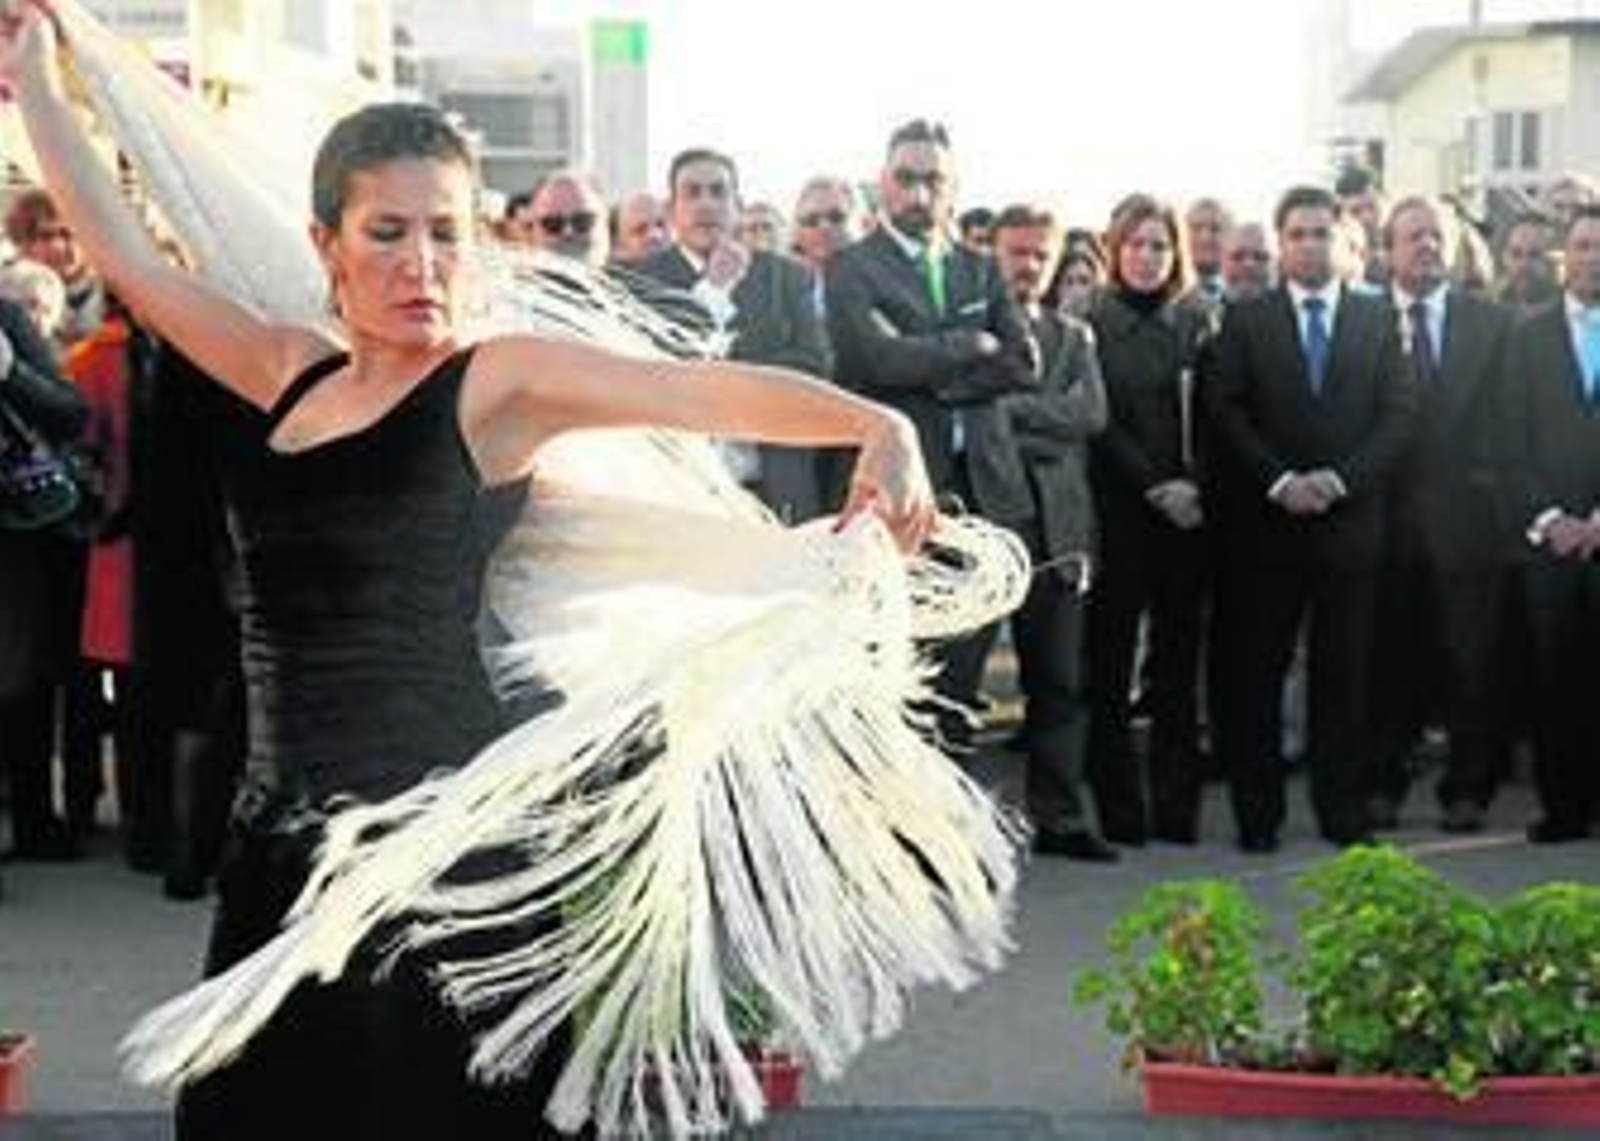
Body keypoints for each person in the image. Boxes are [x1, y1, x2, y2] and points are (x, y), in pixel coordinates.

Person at [0, 5, 936, 1138]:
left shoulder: (496, 385)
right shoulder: (286, 372)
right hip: (282, 854)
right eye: (387, 233)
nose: (422, 264)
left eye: (445, 233)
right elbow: (129, 260)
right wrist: (38, 78)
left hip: (441, 854)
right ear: (326, 246)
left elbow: (693, 391)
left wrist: (875, 422)